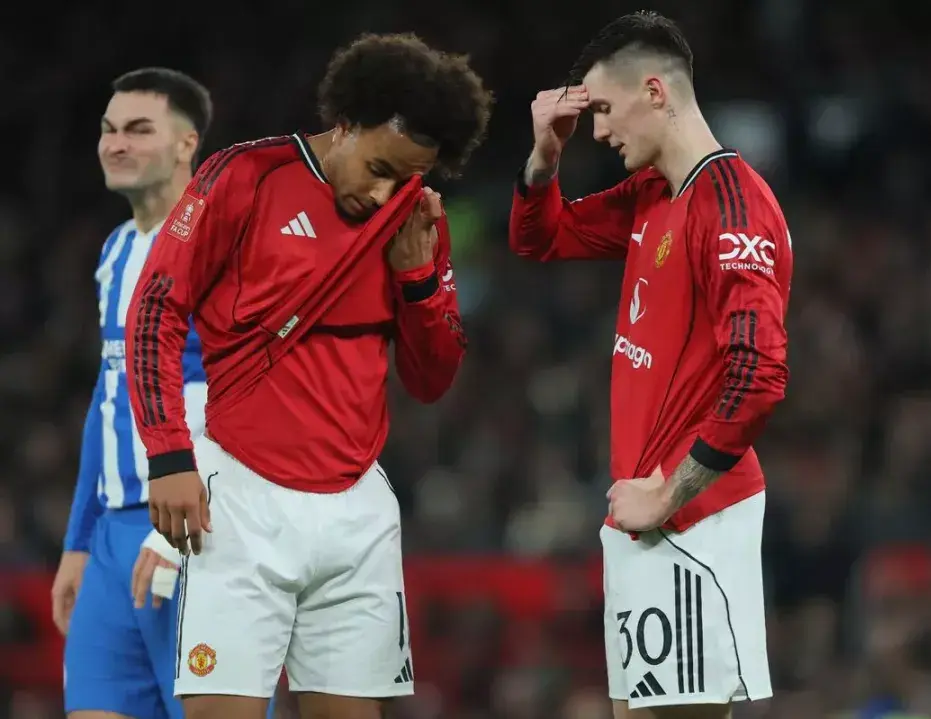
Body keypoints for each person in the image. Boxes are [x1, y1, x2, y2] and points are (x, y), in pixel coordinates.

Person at [125, 33, 492, 719]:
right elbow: (154, 311)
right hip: (242, 500)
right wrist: (170, 455)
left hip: (357, 511)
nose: (384, 193)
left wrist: (418, 280)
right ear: (345, 124)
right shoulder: (245, 177)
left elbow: (432, 379)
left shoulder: (414, 216)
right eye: (379, 167)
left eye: (405, 177)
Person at [509, 11, 791, 719]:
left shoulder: (732, 205)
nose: (599, 131)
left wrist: (669, 496)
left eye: (605, 109)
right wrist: (544, 157)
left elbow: (758, 373)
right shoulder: (654, 195)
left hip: (692, 522)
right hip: (645, 518)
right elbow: (542, 238)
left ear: (656, 92)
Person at [55, 67, 212, 719]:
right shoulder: (116, 250)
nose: (116, 143)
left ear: (185, 144)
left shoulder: (220, 242)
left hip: (196, 530)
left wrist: (183, 525)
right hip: (112, 538)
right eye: (109, 129)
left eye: (139, 129)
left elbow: (239, 393)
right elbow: (109, 394)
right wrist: (78, 540)